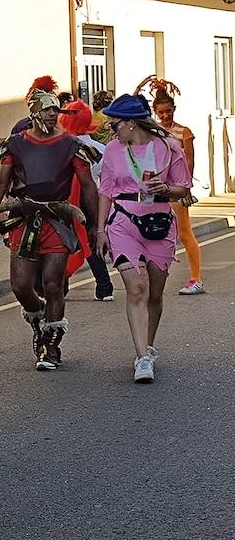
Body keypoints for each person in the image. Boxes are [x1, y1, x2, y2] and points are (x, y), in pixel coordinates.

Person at [0, 87, 99, 372]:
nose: (53, 115)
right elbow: (0, 182)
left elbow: (88, 186)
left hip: (57, 221)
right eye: (48, 110)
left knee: (52, 283)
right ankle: (38, 319)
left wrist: (97, 224)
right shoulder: (16, 144)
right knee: (21, 285)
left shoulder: (71, 144)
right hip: (24, 220)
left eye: (56, 111)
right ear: (35, 112)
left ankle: (51, 345)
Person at [95, 94, 192, 383]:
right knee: (136, 288)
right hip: (124, 221)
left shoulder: (168, 147)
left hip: (159, 222)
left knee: (154, 294)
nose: (111, 131)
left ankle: (148, 345)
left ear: (131, 123)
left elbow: (183, 189)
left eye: (114, 125)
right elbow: (105, 191)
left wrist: (167, 189)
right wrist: (100, 229)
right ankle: (142, 357)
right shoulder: (113, 150)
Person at [143, 80, 204, 296]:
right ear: (155, 112)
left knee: (185, 233)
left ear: (174, 110)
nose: (165, 116)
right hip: (156, 190)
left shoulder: (184, 133)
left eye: (168, 111)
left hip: (176, 190)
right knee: (155, 234)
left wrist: (186, 189)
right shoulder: (153, 132)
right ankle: (155, 278)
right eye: (161, 112)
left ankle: (196, 278)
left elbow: (189, 162)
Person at [58, 100, 115, 302]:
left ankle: (60, 286)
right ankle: (104, 285)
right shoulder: (100, 148)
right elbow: (103, 177)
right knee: (91, 239)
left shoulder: (59, 146)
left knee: (61, 241)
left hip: (66, 199)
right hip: (93, 197)